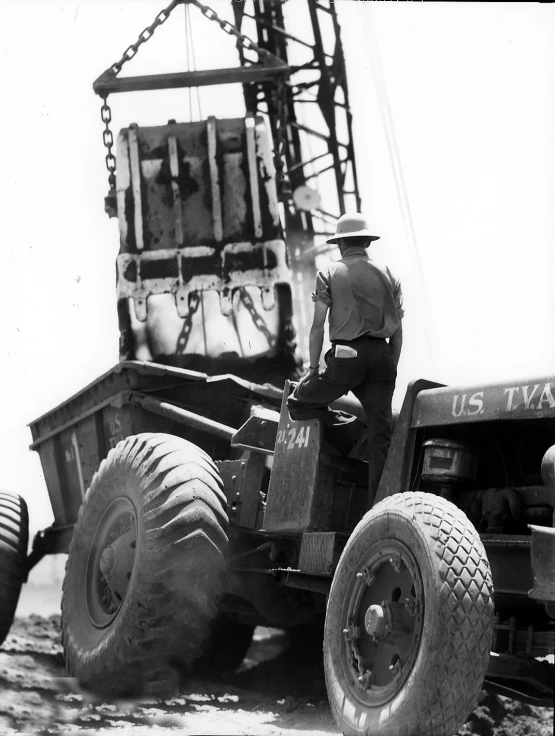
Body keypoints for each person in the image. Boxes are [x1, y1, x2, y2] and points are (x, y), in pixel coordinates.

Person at [287, 212, 404, 505]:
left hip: (345, 356)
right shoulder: (390, 273)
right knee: (382, 438)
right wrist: (390, 366)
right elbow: (398, 332)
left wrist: (313, 370)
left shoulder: (329, 273)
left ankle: (351, 429)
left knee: (298, 403)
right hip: (382, 356)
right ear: (366, 241)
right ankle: (379, 508)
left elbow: (317, 327)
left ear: (340, 245)